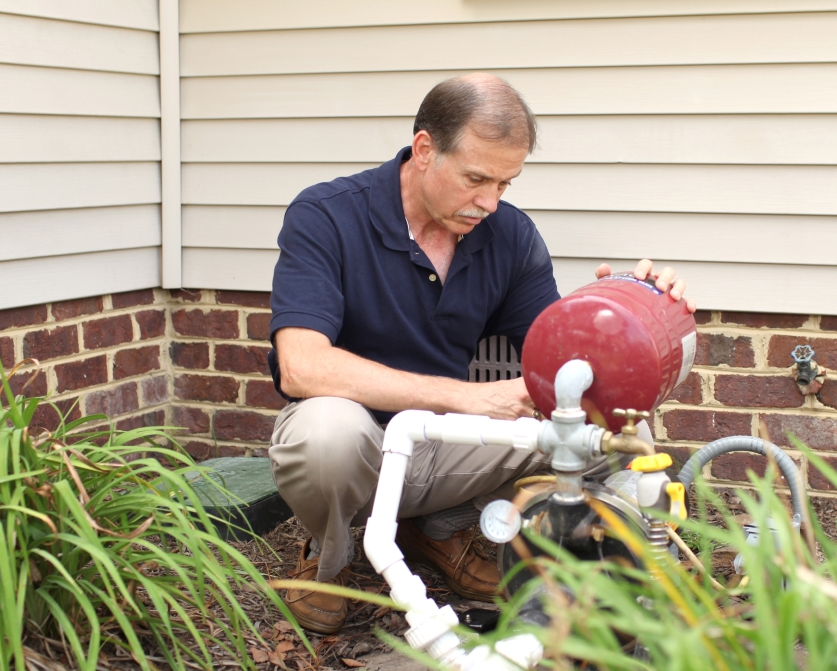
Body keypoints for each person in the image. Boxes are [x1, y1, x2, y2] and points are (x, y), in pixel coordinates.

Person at [267, 73, 694, 633]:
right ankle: (332, 561)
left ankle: (444, 529)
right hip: (362, 448)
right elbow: (302, 365)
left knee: (609, 439)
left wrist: (628, 308)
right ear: (424, 151)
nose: (489, 202)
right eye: (476, 179)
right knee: (326, 430)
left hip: (448, 448)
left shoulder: (509, 236)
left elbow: (558, 361)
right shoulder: (326, 215)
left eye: (505, 184)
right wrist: (467, 398)